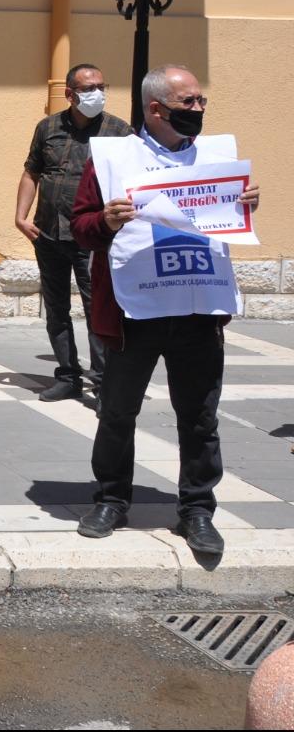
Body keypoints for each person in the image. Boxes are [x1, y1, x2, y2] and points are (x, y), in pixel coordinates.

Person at [72, 64, 259, 556]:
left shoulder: (215, 159)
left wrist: (243, 204)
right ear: (156, 109)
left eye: (200, 101)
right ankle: (111, 500)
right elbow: (80, 227)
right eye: (188, 102)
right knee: (117, 411)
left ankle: (197, 510)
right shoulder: (115, 160)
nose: (198, 109)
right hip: (134, 312)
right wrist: (106, 220)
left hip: (197, 310)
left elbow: (227, 220)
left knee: (199, 417)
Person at [15, 63, 132, 404]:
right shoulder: (48, 127)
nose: (97, 93)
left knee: (98, 309)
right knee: (56, 309)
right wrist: (20, 217)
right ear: (70, 94)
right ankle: (68, 376)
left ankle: (104, 383)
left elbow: (133, 182)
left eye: (101, 86)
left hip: (92, 237)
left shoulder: (119, 132)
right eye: (88, 88)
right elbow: (32, 172)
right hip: (48, 233)